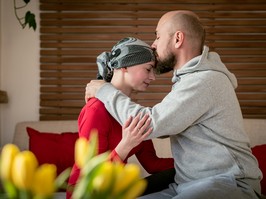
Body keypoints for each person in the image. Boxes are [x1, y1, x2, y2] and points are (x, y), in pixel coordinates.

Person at [84, 10, 263, 199]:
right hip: (188, 185)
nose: (153, 45)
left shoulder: (204, 81)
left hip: (227, 183)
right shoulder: (188, 81)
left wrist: (104, 90)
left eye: (158, 36)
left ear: (178, 39)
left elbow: (150, 124)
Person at [66, 37, 175, 199]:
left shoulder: (130, 112)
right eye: (148, 69)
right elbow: (93, 174)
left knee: (175, 176)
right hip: (87, 192)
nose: (153, 77)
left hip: (117, 190)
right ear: (124, 66)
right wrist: (126, 145)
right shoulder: (96, 110)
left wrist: (195, 163)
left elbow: (152, 164)